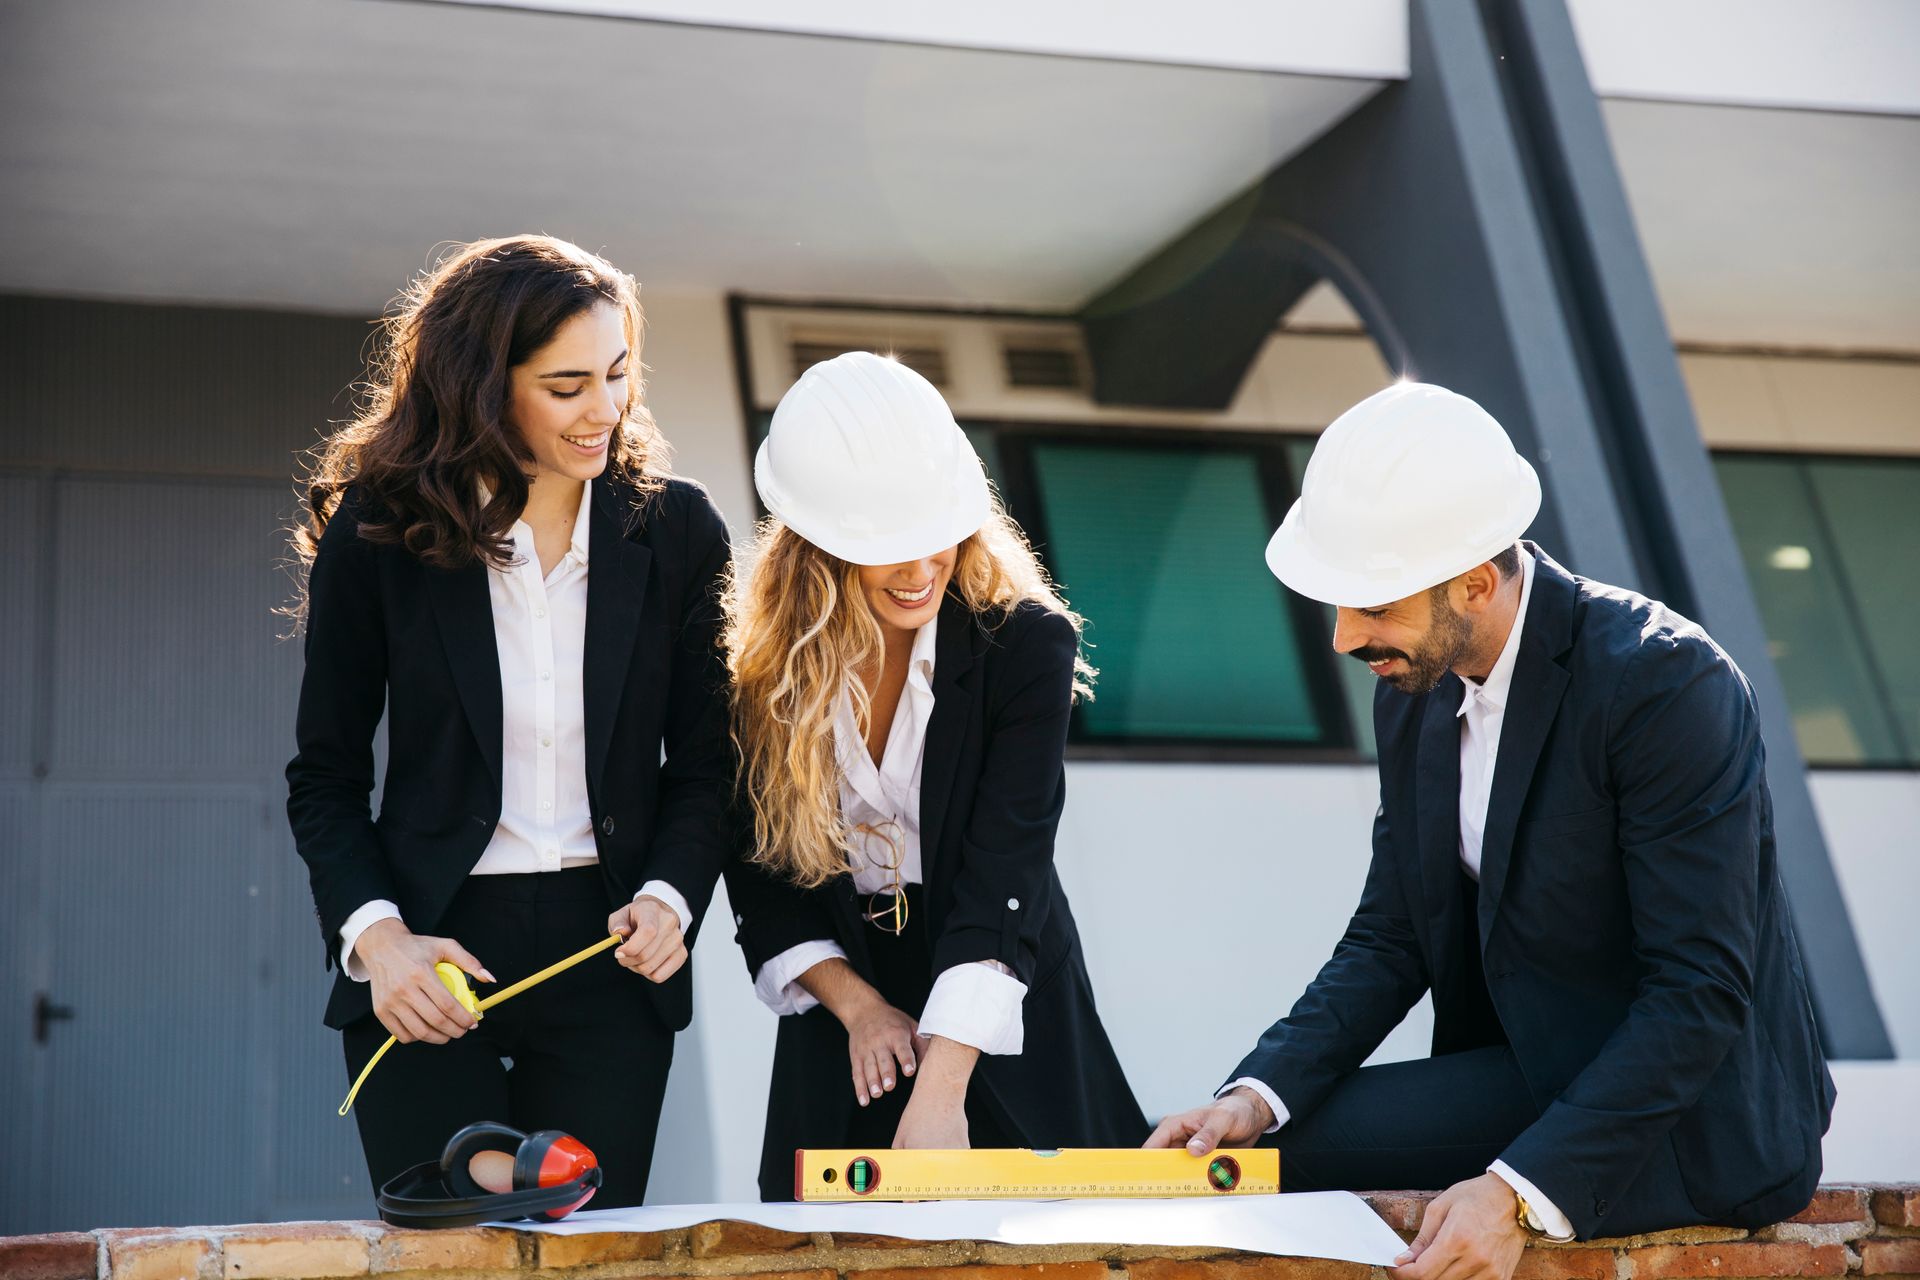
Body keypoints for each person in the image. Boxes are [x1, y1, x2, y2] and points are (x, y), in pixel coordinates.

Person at [1149, 383, 1833, 1268]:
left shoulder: (1666, 686)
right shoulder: (1411, 692)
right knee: (1218, 1161)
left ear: (1475, 583)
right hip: (1530, 1079)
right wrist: (1256, 1095)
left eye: (1374, 606)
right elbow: (1392, 936)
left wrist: (1516, 1191)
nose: (1343, 638)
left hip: (1699, 1120)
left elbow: (1698, 992)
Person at [286, 235, 733, 1206]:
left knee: (588, 1251)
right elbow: (323, 776)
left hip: (610, 957)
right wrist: (379, 940)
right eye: (567, 384)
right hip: (431, 949)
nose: (605, 409)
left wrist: (671, 894)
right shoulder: (381, 531)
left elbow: (705, 763)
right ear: (484, 388)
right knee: (449, 1254)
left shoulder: (679, 531)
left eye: (618, 374)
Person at [723, 351, 1147, 1201]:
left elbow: (1005, 870)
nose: (921, 570)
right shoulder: (757, 681)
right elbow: (761, 881)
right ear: (816, 546)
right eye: (886, 549)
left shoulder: (1026, 646)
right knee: (826, 1246)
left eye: (936, 536)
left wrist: (944, 1086)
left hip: (1002, 977)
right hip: (845, 999)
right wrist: (858, 1008)